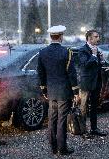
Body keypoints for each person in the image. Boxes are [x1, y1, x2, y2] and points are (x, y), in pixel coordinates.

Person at [37, 25, 79, 156]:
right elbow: (71, 74)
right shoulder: (67, 52)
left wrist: (44, 90)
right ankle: (62, 148)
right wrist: (76, 93)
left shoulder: (42, 52)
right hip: (64, 92)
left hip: (51, 91)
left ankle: (53, 147)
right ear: (61, 36)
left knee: (52, 120)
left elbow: (41, 73)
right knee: (61, 120)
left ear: (51, 37)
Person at [78, 29, 107, 138]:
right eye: (96, 36)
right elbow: (84, 65)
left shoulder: (97, 50)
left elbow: (97, 66)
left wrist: (102, 60)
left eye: (98, 36)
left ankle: (94, 129)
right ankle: (83, 131)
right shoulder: (82, 50)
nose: (98, 39)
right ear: (89, 38)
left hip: (96, 83)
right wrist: (94, 56)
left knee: (94, 106)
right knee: (83, 107)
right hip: (86, 83)